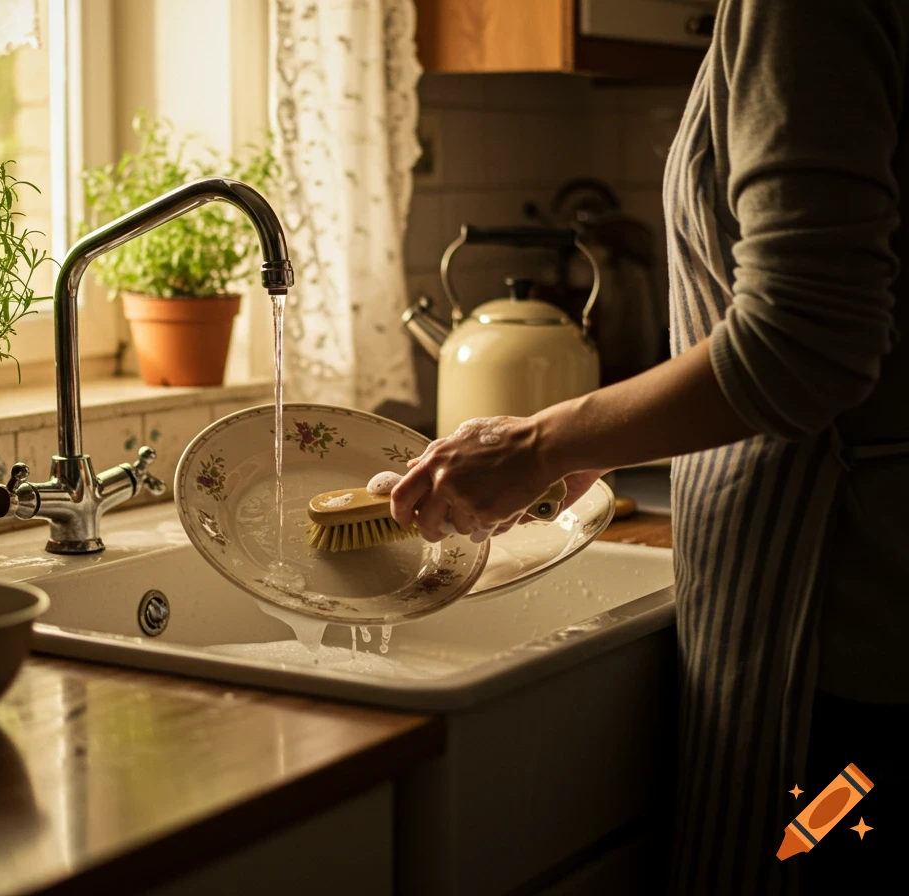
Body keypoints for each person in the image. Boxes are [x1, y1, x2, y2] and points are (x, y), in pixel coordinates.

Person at [391, 1, 909, 893]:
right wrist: (593, 440)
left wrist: (541, 442)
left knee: (809, 860)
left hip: (842, 644)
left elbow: (806, 340)